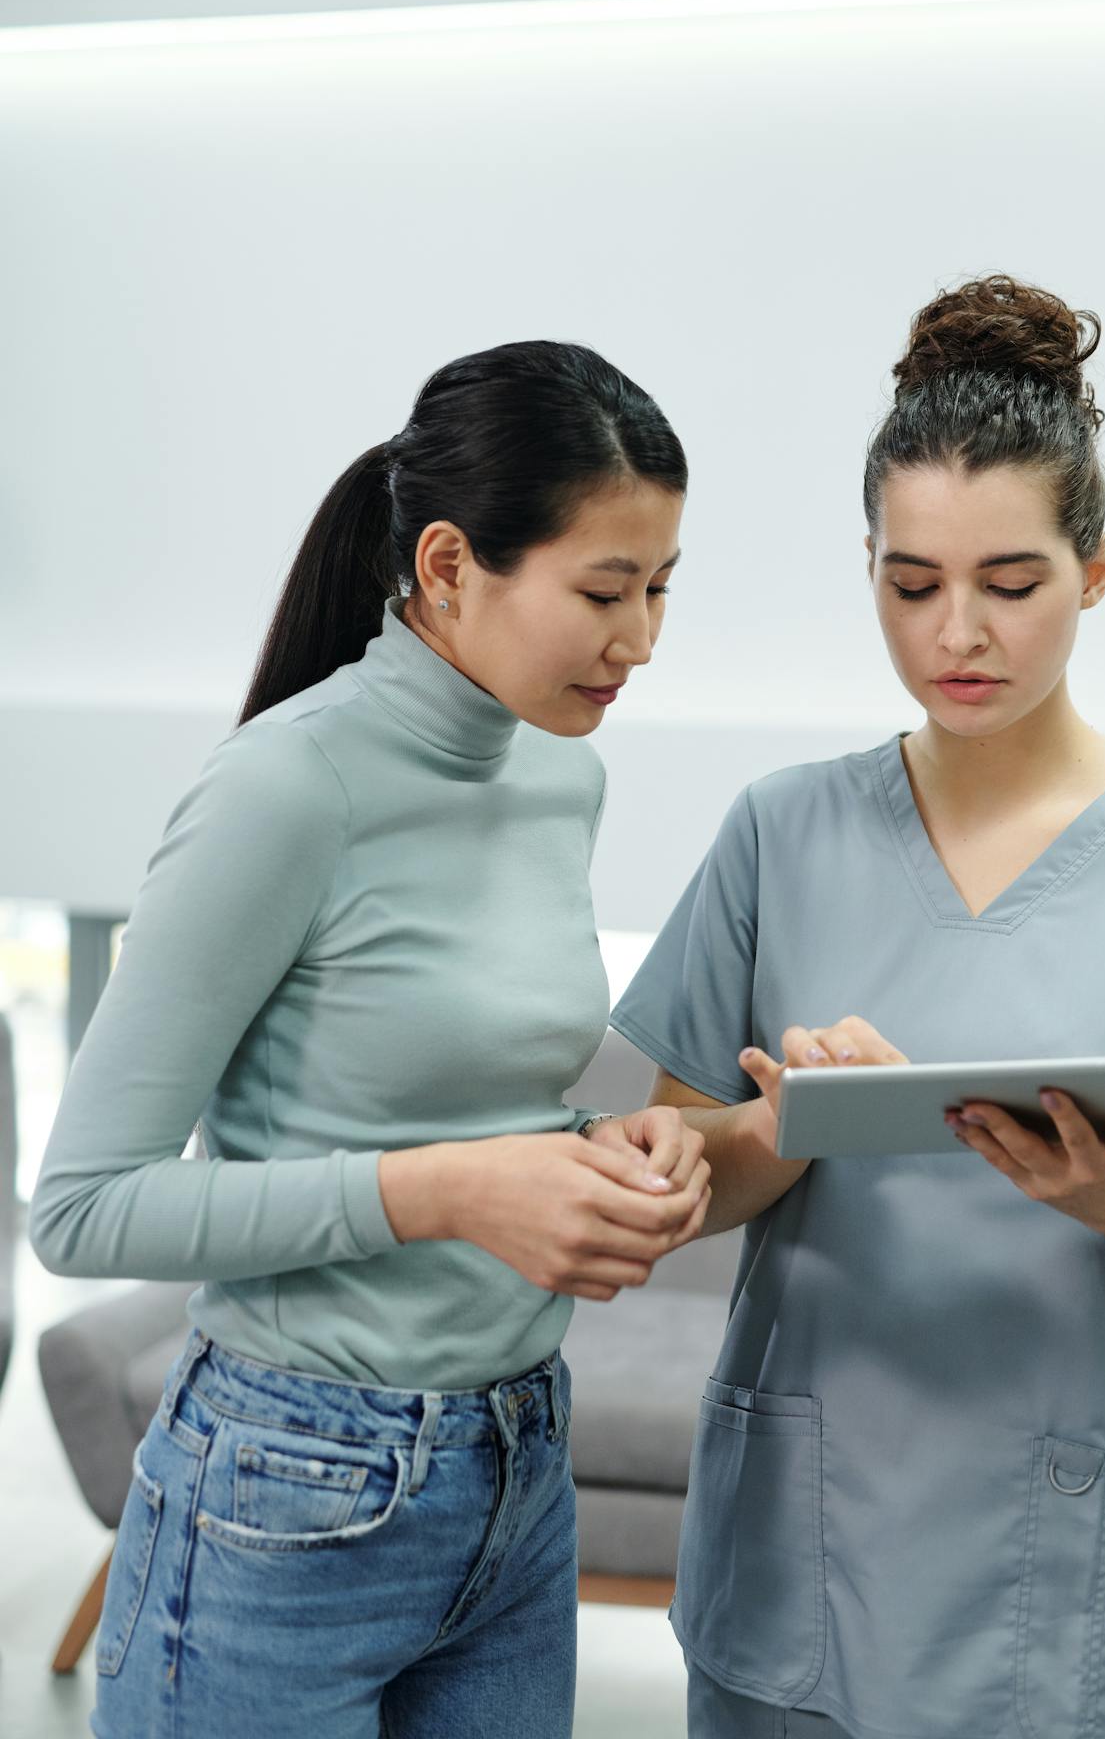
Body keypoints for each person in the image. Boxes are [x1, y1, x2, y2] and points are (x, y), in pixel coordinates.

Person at [609, 277, 1105, 1739]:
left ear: (1093, 570)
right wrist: (778, 1130)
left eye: (1009, 584)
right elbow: (677, 1180)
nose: (955, 633)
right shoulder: (779, 834)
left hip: (1091, 1577)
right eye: (909, 584)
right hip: (810, 1561)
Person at [31, 339, 710, 1739]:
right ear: (451, 565)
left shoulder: (557, 775)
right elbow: (82, 1211)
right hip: (286, 1485)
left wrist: (603, 1152)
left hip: (516, 1472)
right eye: (602, 591)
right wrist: (453, 1190)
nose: (638, 638)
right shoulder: (285, 789)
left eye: (657, 588)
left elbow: (461, 1092)